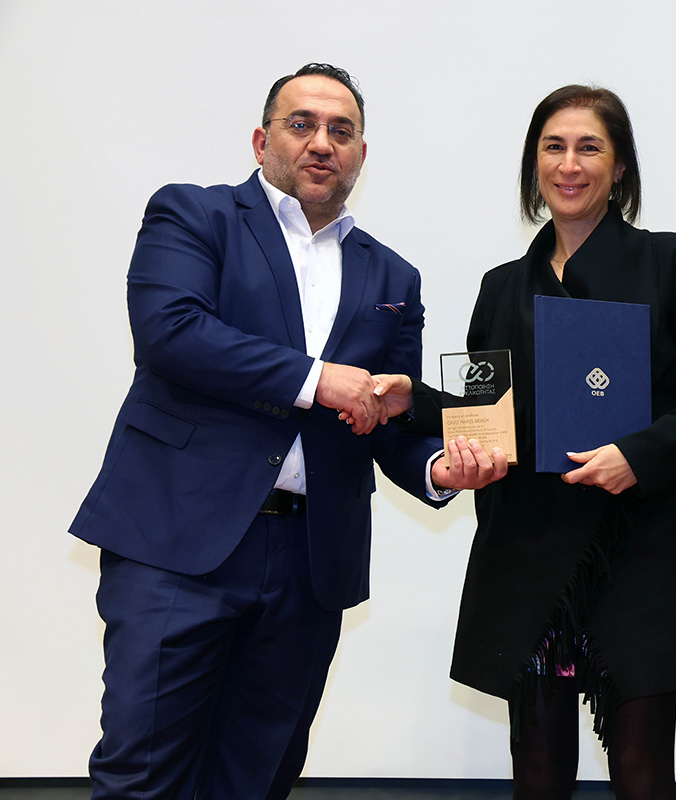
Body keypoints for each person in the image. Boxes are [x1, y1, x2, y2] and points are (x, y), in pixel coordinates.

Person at [70, 63, 505, 799]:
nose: (321, 142)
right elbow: (171, 331)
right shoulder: (194, 214)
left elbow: (384, 417)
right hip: (178, 544)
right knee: (143, 773)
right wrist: (318, 379)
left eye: (342, 130)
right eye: (301, 124)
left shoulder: (393, 277)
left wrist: (438, 467)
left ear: (361, 154)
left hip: (310, 562)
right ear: (260, 140)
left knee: (258, 777)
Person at [436, 85, 676, 799]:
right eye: (553, 147)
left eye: (589, 147)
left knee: (642, 771)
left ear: (620, 166)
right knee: (538, 774)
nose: (569, 165)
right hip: (528, 555)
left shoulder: (667, 260)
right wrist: (416, 409)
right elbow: (482, 414)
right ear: (534, 163)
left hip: (638, 549)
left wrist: (639, 455)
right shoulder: (499, 287)